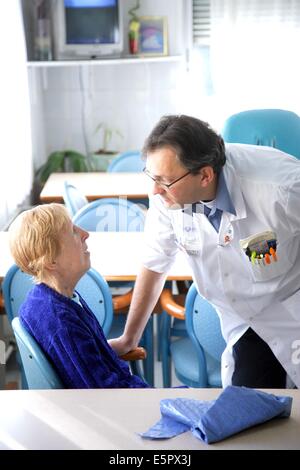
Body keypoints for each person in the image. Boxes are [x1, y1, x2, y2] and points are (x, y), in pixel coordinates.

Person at [109, 114, 300, 389]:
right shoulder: (167, 195)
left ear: (206, 175)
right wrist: (129, 338)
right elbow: (155, 261)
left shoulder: (283, 187)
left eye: (164, 180)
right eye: (152, 177)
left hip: (291, 310)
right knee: (251, 417)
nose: (155, 190)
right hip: (245, 323)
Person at [8, 203, 148, 389]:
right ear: (51, 260)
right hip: (117, 406)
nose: (85, 233)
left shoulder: (45, 299)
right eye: (73, 231)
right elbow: (104, 392)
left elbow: (81, 361)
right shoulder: (61, 322)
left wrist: (112, 347)